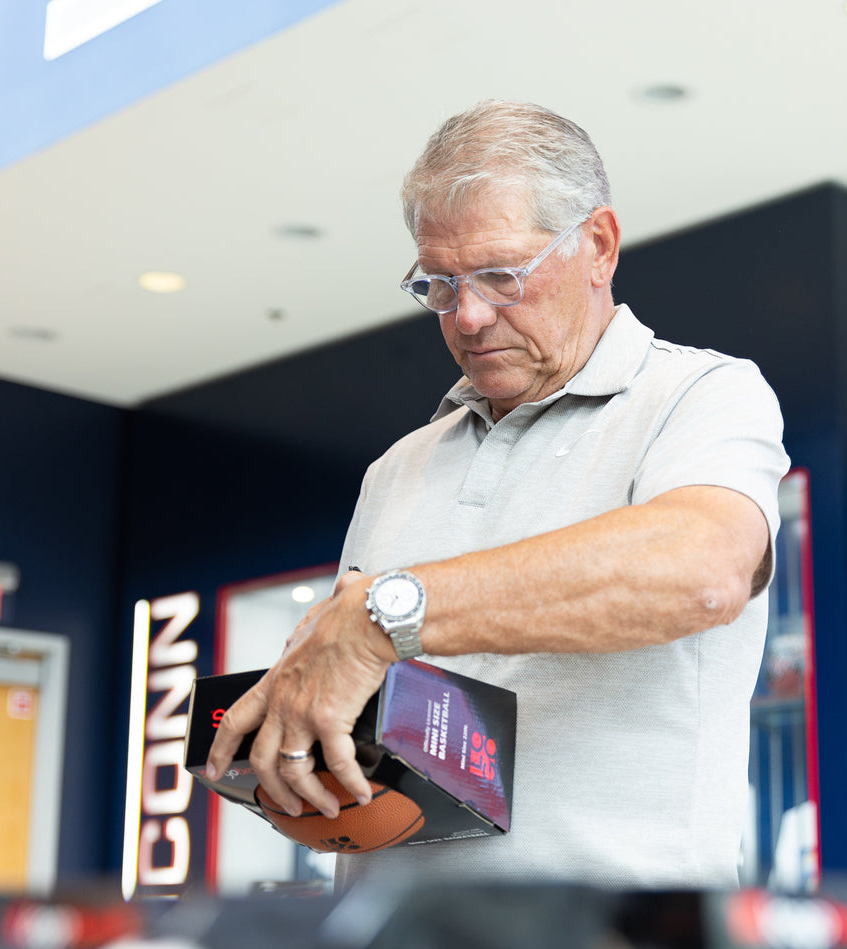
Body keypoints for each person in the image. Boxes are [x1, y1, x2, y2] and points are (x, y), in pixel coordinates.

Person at [207, 100, 789, 889]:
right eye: (438, 286)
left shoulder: (701, 395)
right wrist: (302, 753)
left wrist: (386, 613)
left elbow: (700, 569)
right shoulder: (397, 467)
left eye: (500, 275)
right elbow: (373, 704)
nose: (470, 317)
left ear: (598, 245)